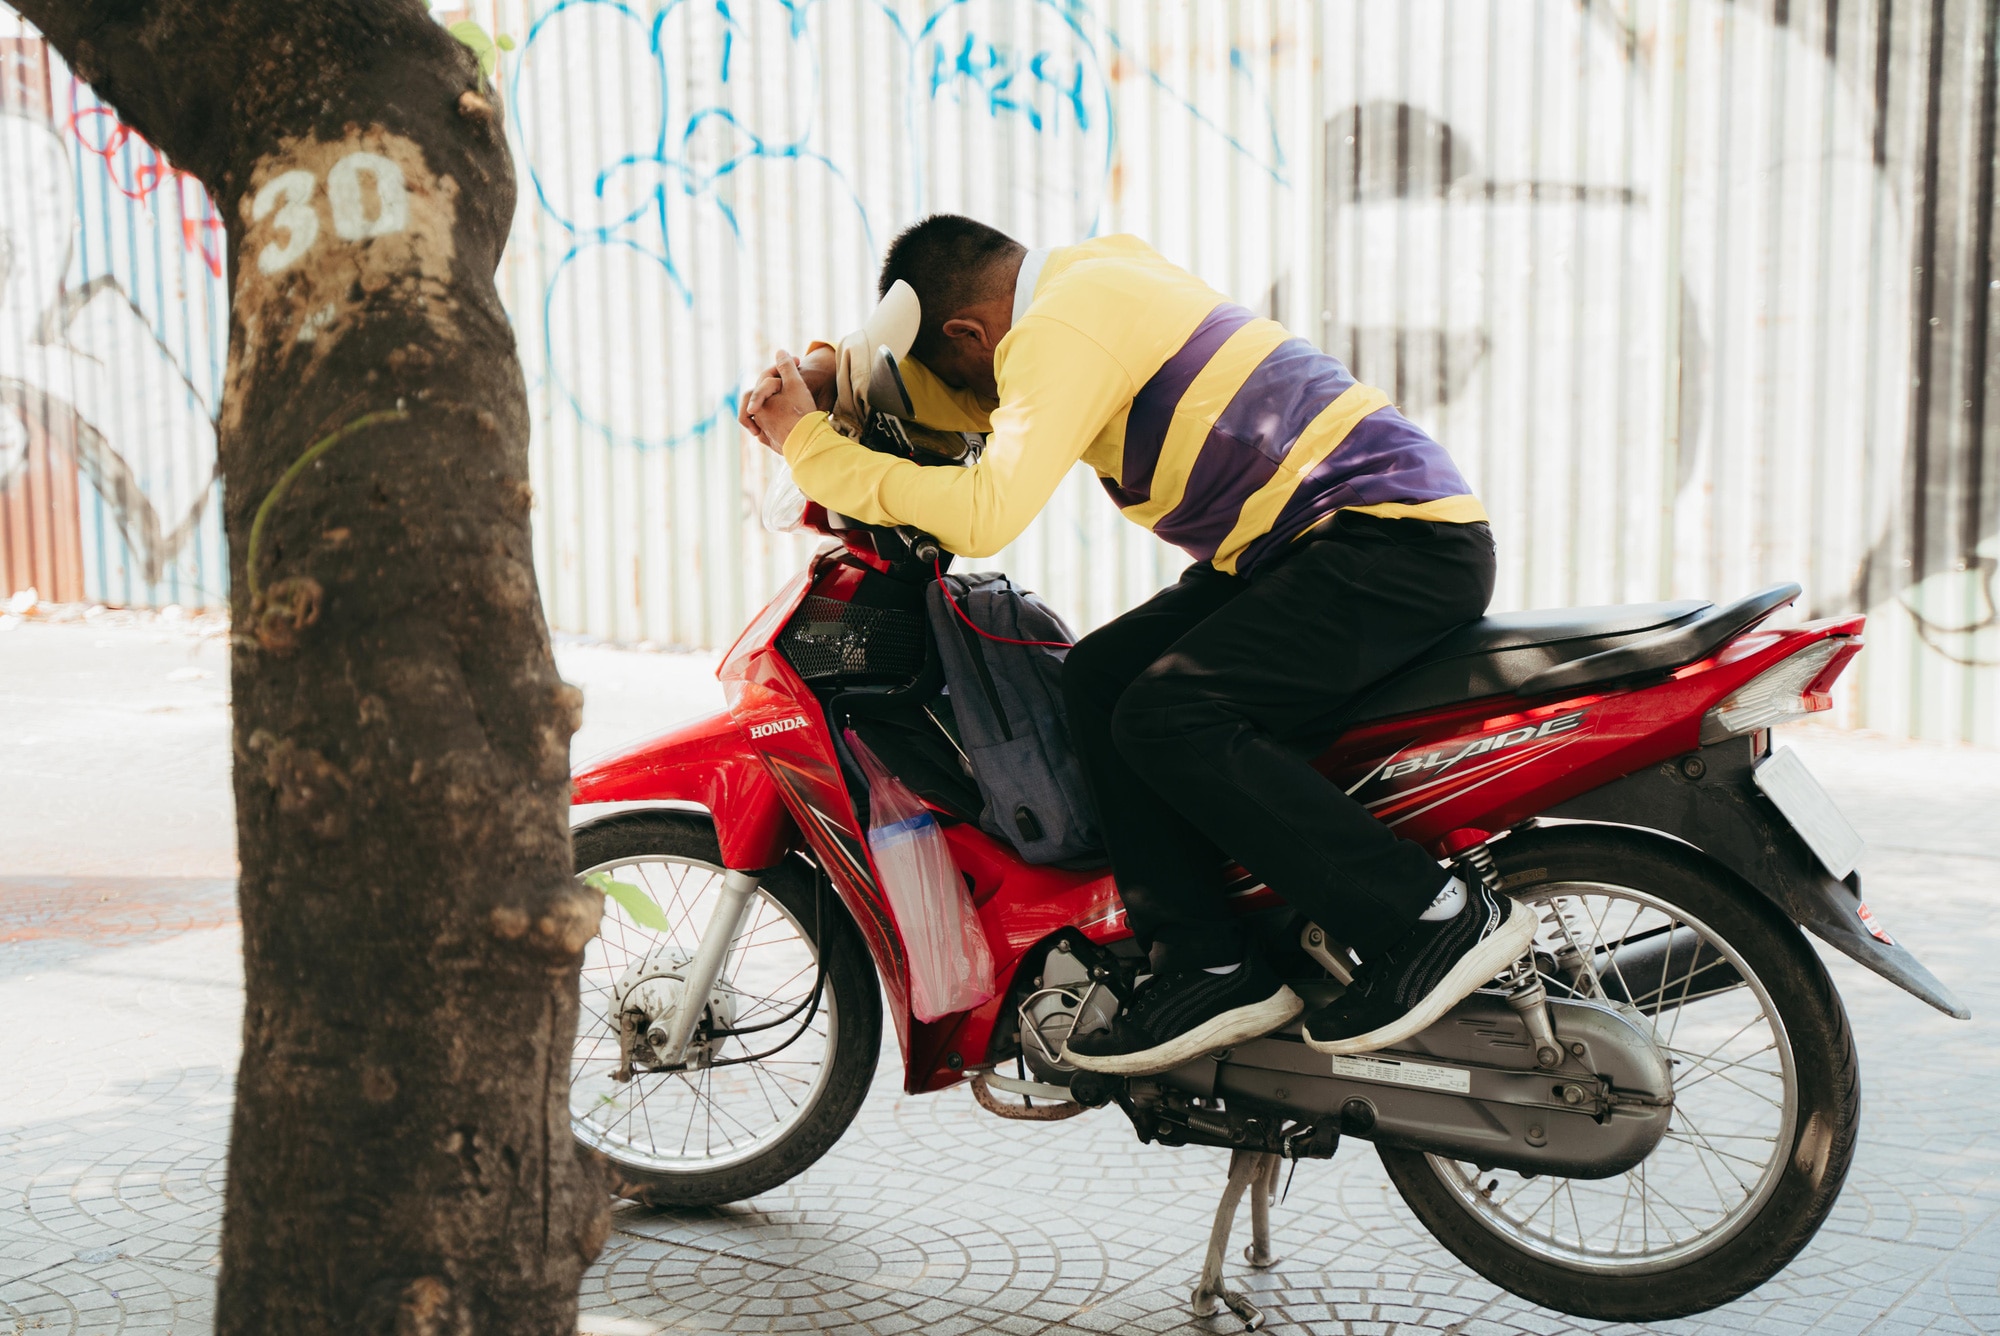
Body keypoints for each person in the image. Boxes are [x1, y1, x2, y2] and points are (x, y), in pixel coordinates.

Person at [739, 215, 1531, 1076]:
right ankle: (1205, 964)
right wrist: (829, 373)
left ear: (971, 331)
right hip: (1303, 548)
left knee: (1168, 713)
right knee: (1101, 677)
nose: (976, 400)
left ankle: (1429, 914)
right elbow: (921, 388)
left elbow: (984, 511)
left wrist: (810, 448)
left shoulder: (1057, 331)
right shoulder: (1082, 277)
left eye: (959, 366)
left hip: (1392, 544)